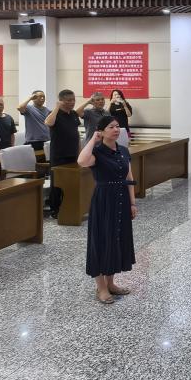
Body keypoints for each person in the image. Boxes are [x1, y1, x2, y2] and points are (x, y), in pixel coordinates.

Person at [77, 118, 138, 303]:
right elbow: (81, 161)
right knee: (101, 241)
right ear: (101, 131)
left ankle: (111, 283)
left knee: (116, 239)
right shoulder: (96, 152)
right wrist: (93, 140)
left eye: (117, 126)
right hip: (104, 200)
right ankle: (101, 287)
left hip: (121, 198)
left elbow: (129, 177)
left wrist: (132, 203)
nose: (116, 129)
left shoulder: (123, 150)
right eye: (111, 127)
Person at [44, 89, 81, 219]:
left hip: (73, 153)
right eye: (68, 100)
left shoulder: (73, 114)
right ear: (61, 101)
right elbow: (48, 123)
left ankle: (68, 206)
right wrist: (56, 107)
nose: (72, 102)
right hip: (59, 155)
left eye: (73, 100)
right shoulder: (54, 113)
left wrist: (79, 152)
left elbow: (76, 133)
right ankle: (54, 209)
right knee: (57, 184)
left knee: (71, 182)